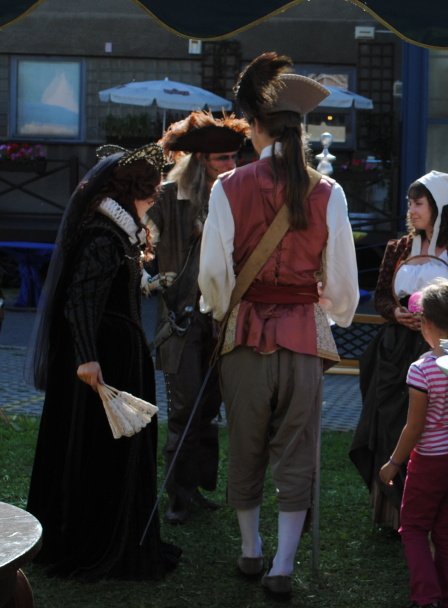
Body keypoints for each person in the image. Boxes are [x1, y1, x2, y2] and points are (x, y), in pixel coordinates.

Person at [197, 51, 359, 597]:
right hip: (304, 336)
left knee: (244, 441)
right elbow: (341, 282)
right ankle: (284, 563)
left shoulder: (228, 187)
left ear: (257, 128)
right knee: (298, 447)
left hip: (246, 334)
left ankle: (250, 550)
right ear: (301, 129)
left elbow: (214, 277)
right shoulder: (328, 191)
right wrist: (332, 310)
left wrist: (221, 311)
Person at [26, 143, 181, 580]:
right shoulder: (102, 234)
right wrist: (87, 359)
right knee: (100, 450)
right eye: (151, 190)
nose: (155, 198)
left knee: (120, 449)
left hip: (118, 352)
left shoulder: (120, 232)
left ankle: (123, 532)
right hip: (102, 359)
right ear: (133, 190)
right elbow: (79, 301)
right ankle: (93, 539)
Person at [350, 171, 448, 530]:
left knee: (441, 428)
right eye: (409, 203)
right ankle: (394, 514)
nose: (411, 210)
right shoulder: (398, 248)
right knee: (390, 423)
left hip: (446, 352)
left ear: (440, 206)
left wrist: (442, 319)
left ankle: (445, 515)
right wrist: (395, 312)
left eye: (419, 203)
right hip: (397, 350)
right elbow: (381, 295)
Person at [146, 110, 249, 525]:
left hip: (222, 317)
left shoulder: (238, 195)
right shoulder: (169, 197)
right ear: (200, 160)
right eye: (221, 158)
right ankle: (177, 493)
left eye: (232, 158)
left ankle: (200, 486)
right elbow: (144, 246)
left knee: (210, 405)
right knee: (185, 406)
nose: (230, 165)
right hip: (181, 318)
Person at [378, 280, 448, 608]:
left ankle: (426, 598)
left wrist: (393, 462)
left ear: (425, 324)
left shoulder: (422, 370)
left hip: (434, 459)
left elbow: (414, 426)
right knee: (446, 524)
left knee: (413, 527)